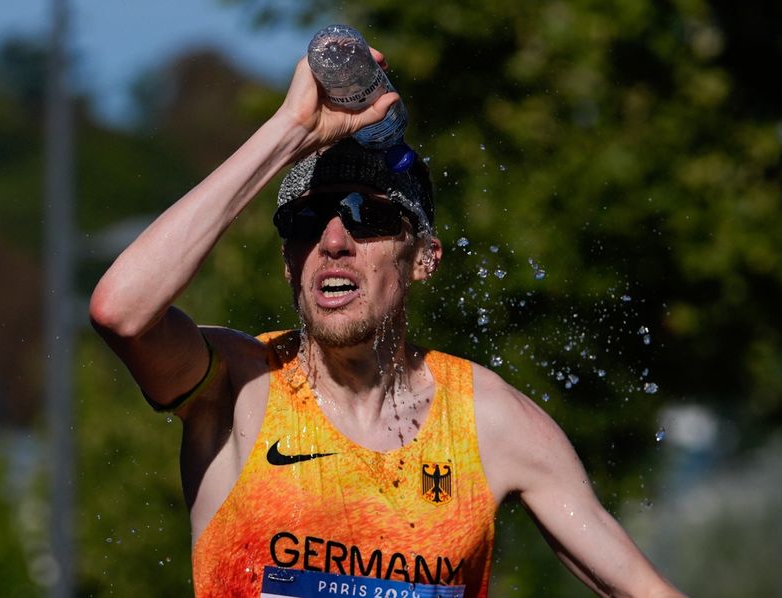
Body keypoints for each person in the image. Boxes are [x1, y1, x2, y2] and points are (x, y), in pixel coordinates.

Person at [90, 46, 684, 598]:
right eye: (307, 221)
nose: (333, 241)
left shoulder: (491, 424)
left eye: (366, 216)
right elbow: (122, 312)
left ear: (423, 257)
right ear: (289, 262)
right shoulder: (238, 389)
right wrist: (290, 130)